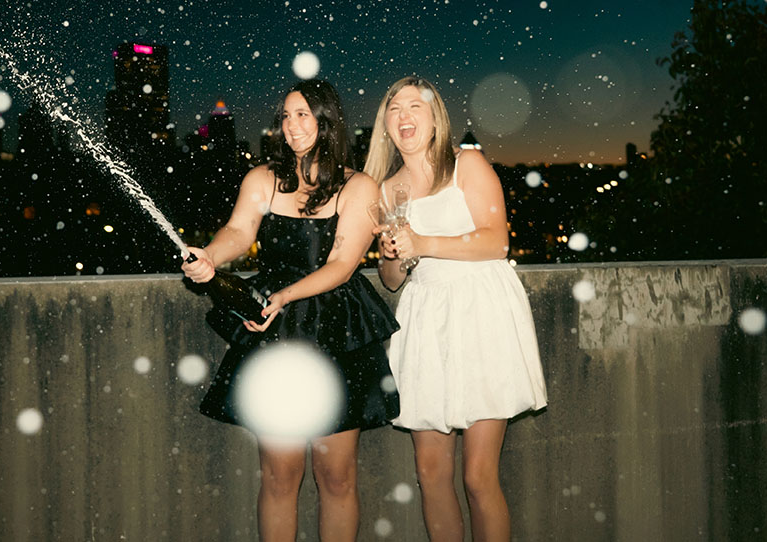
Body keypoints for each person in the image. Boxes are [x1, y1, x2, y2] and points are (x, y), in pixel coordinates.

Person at [182, 79, 400, 542]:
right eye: (285, 116)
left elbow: (342, 266)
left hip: (337, 330)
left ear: (326, 121)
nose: (291, 125)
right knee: (280, 476)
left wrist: (282, 297)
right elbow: (239, 233)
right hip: (275, 336)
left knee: (336, 477)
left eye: (303, 114)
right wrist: (210, 258)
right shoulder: (262, 178)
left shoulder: (359, 186)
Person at [364, 76, 547, 542]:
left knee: (478, 475)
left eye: (415, 107)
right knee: (430, 473)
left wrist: (422, 241)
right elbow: (392, 280)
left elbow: (495, 240)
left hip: (481, 314)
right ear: (385, 123)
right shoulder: (386, 192)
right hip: (425, 320)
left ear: (435, 117)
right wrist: (391, 255)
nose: (404, 116)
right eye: (394, 108)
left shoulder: (467, 164)